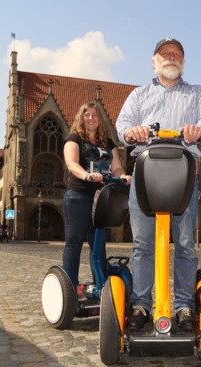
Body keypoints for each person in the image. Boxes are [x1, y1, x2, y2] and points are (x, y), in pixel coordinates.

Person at [116, 37, 201, 331]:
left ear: (182, 61)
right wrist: (132, 132)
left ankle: (184, 305)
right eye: (165, 53)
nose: (171, 57)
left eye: (176, 54)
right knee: (143, 244)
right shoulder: (139, 95)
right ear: (154, 60)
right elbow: (122, 127)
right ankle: (141, 306)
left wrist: (199, 129)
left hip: (183, 171)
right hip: (146, 172)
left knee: (185, 244)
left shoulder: (196, 93)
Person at [63, 101, 131, 300]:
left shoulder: (107, 143)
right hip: (79, 195)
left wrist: (123, 176)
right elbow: (71, 163)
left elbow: (116, 167)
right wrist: (87, 175)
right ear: (81, 118)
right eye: (87, 115)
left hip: (102, 198)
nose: (91, 118)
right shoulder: (74, 139)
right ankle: (70, 287)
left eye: (95, 115)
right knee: (74, 242)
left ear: (100, 119)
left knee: (99, 245)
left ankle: (101, 287)